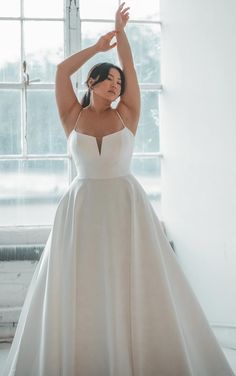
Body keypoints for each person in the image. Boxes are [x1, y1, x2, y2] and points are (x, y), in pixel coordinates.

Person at [2, 3, 235, 376]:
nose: (117, 84)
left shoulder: (127, 113)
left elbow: (131, 70)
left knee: (132, 282)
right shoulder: (71, 116)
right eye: (109, 79)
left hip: (126, 207)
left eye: (119, 81)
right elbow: (62, 71)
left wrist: (121, 35)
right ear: (91, 82)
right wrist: (97, 46)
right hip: (80, 209)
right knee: (82, 287)